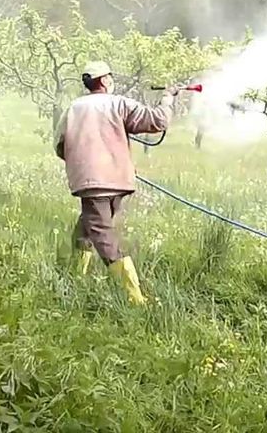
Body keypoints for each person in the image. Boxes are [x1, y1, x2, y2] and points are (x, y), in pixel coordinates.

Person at [54, 61, 176, 305]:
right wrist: (167, 99)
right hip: (117, 181)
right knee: (91, 229)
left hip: (90, 182)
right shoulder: (120, 103)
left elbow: (60, 145)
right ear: (105, 80)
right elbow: (157, 121)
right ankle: (111, 289)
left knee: (98, 231)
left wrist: (81, 162)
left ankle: (129, 295)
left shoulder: (73, 108)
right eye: (110, 77)